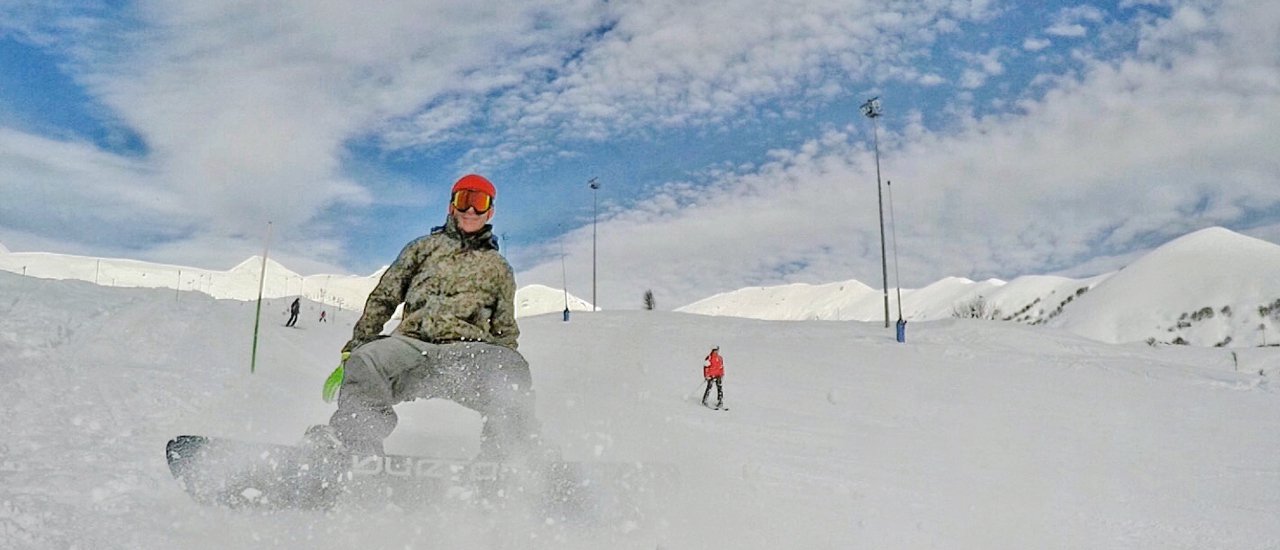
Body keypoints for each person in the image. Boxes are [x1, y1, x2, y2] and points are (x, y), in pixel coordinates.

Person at [310, 174, 538, 460]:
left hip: (467, 355)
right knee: (367, 360)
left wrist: (506, 368)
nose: (470, 210)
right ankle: (354, 444)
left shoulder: (499, 268)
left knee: (513, 369)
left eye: (479, 203)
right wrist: (356, 346)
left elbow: (505, 330)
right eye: (464, 200)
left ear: (490, 211)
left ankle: (510, 455)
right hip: (411, 348)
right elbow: (385, 296)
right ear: (451, 206)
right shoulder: (421, 249)